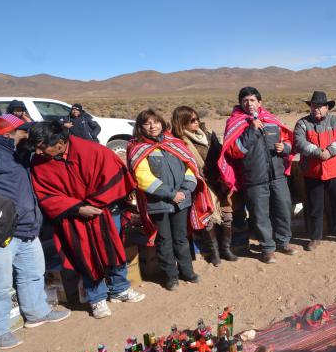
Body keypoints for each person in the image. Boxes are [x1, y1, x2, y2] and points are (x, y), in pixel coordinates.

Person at [29, 121, 145, 319]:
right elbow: (45, 194)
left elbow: (113, 174)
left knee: (114, 249)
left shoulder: (91, 150)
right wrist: (78, 208)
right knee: (85, 257)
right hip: (72, 217)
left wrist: (96, 204)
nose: (38, 152)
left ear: (59, 142)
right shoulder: (39, 162)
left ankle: (119, 289)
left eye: (42, 147)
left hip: (104, 211)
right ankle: (96, 298)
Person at [0, 115, 71, 349]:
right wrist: (0, 217)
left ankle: (37, 312)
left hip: (27, 226)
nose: (29, 135)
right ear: (6, 134)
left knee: (33, 273)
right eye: (23, 131)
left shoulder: (19, 151)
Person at [128, 110, 214, 290]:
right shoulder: (138, 148)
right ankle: (171, 277)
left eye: (156, 122)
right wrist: (170, 194)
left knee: (182, 238)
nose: (152, 126)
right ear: (140, 127)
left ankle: (187, 272)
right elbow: (143, 178)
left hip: (181, 200)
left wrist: (185, 189)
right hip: (158, 203)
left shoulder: (175, 144)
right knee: (164, 240)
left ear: (162, 123)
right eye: (147, 123)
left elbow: (190, 167)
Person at [219, 87, 297, 263]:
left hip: (277, 174)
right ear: (240, 103)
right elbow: (234, 151)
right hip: (253, 177)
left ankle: (283, 241)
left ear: (259, 102)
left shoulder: (271, 120)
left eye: (252, 100)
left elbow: (288, 141)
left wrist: (285, 148)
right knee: (260, 215)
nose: (249, 103)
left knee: (283, 208)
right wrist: (251, 131)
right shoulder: (235, 123)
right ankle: (267, 248)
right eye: (245, 100)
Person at [170, 106, 234, 266]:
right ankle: (215, 254)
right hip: (201, 184)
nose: (197, 122)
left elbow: (220, 153)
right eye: (192, 120)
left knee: (227, 216)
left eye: (197, 118)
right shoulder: (179, 142)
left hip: (220, 181)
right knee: (208, 218)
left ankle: (226, 249)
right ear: (182, 122)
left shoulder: (207, 134)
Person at [293, 91, 336, 251]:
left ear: (327, 107)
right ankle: (315, 237)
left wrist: (330, 151)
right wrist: (318, 152)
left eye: (320, 106)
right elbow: (299, 142)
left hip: (335, 171)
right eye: (313, 106)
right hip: (313, 172)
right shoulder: (302, 123)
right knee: (315, 206)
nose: (316, 109)